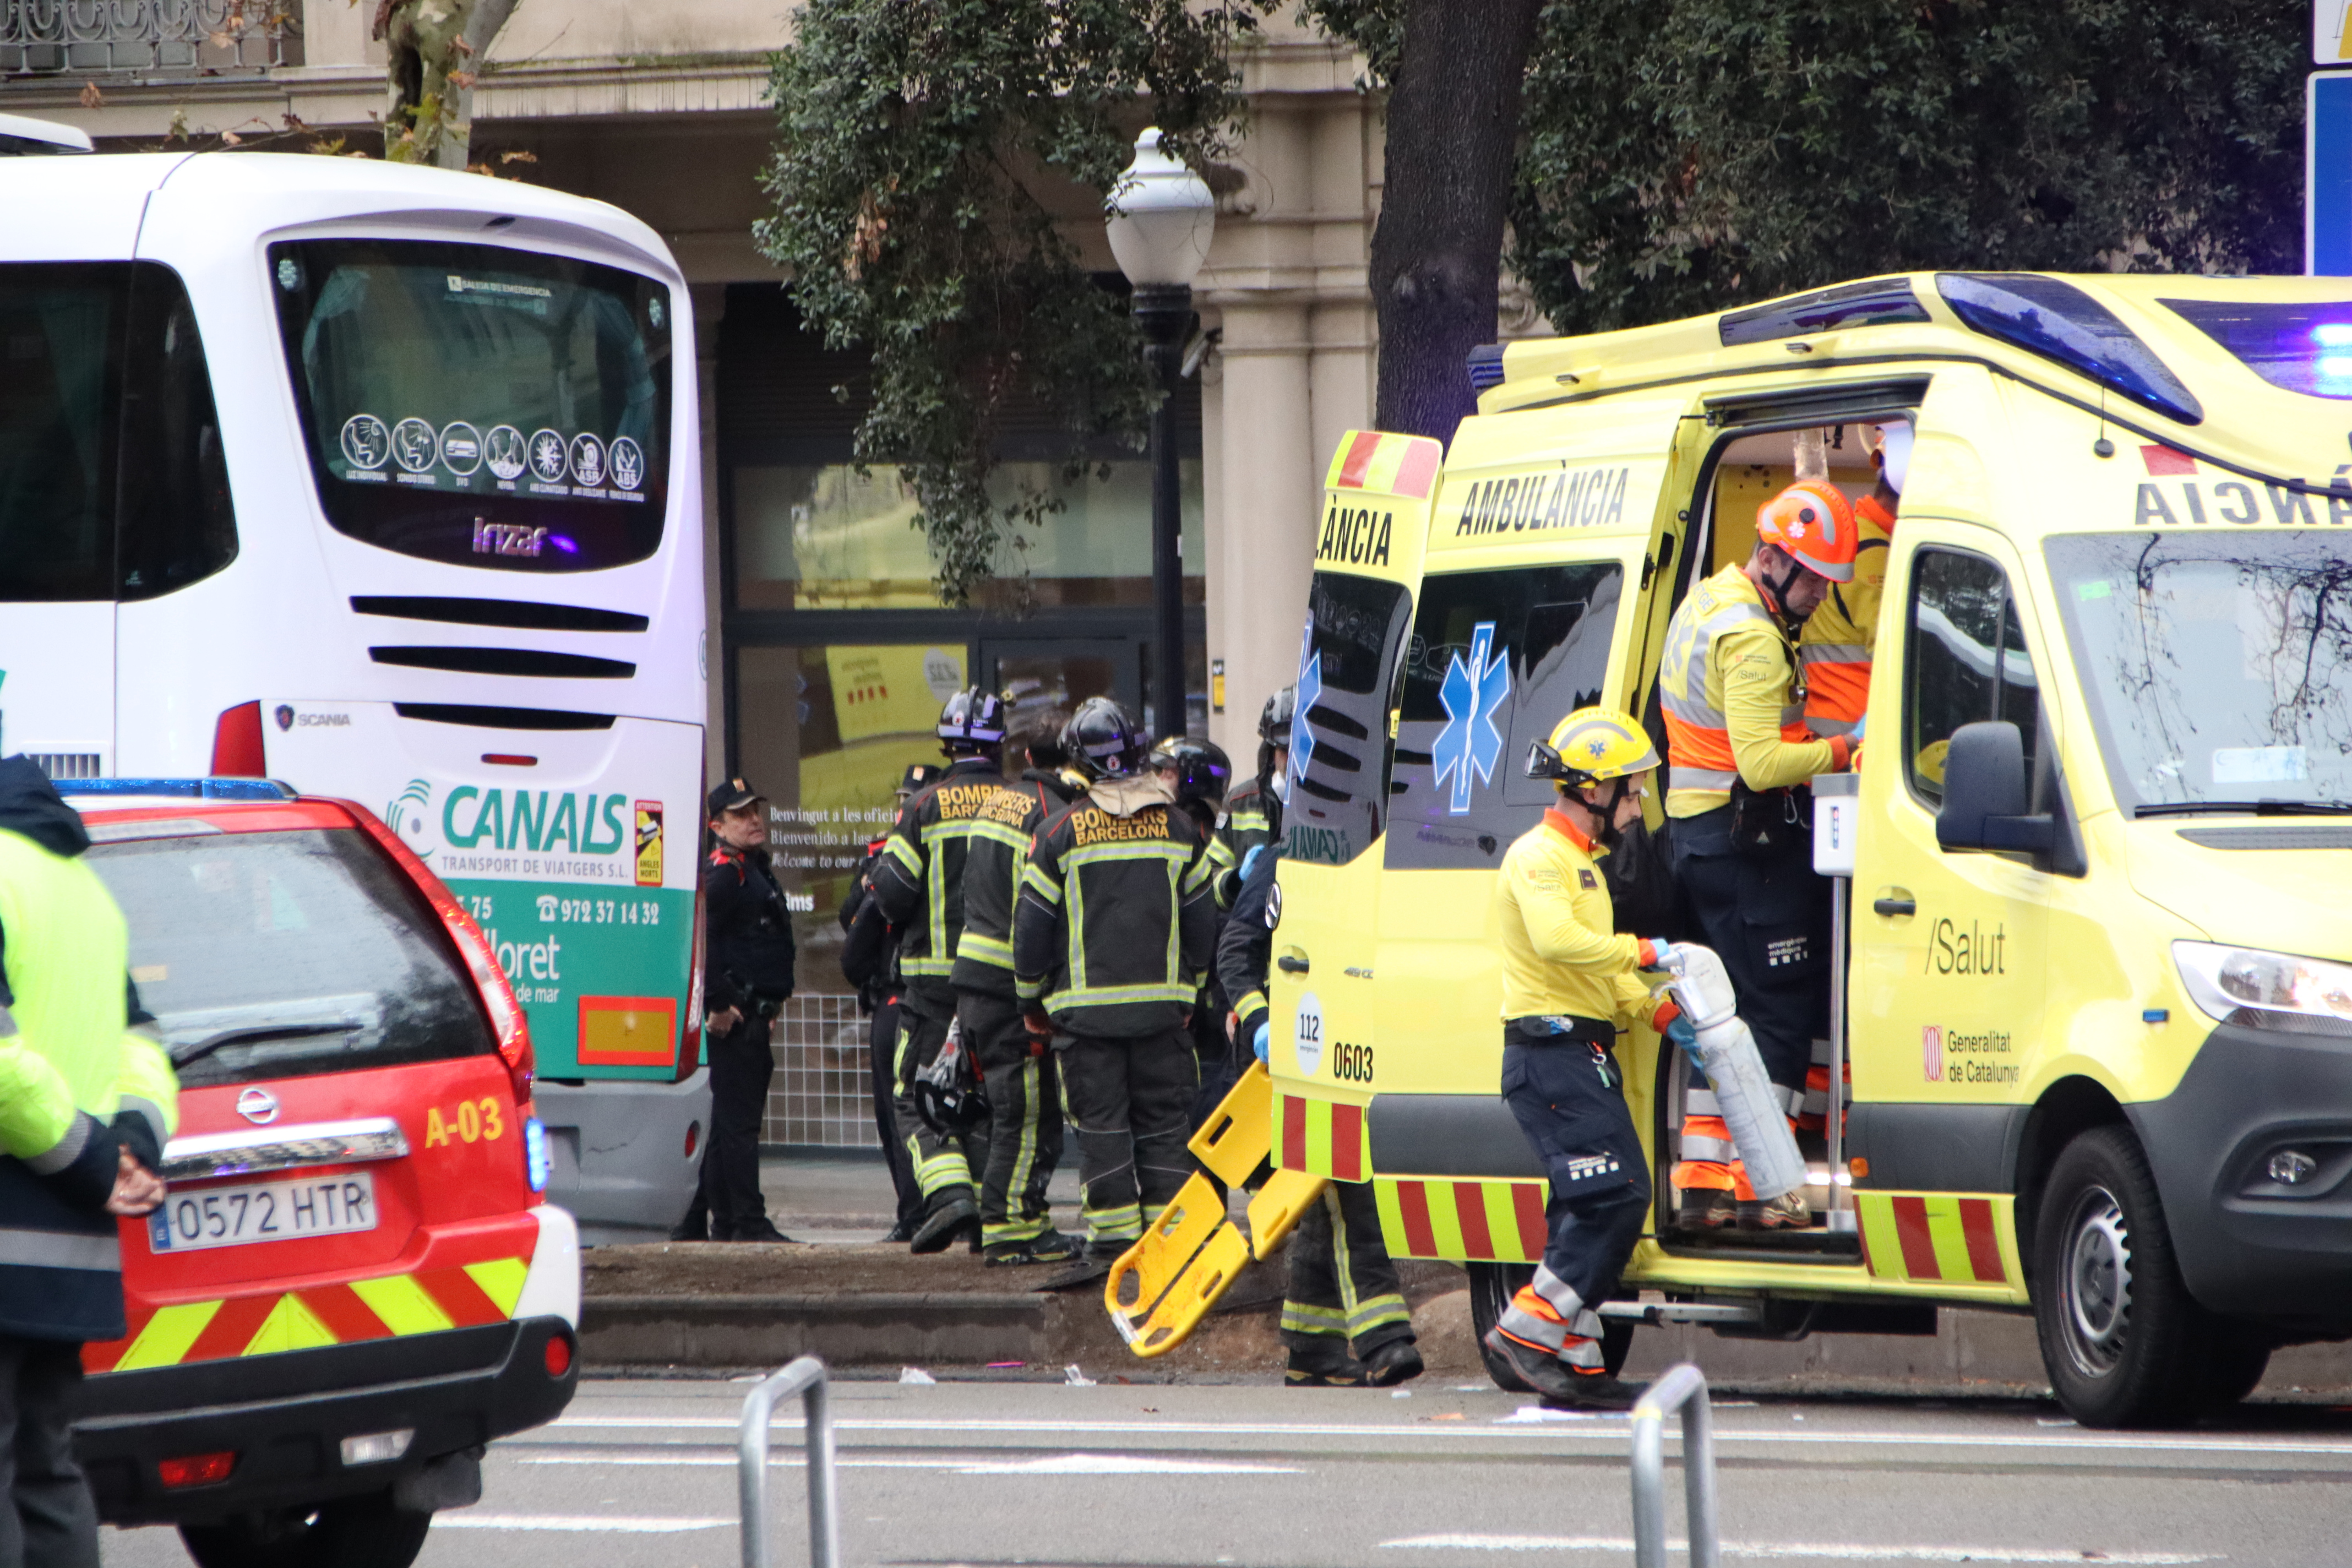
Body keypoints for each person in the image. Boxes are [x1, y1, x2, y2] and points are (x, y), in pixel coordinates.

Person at [1658, 480, 1859, 1229]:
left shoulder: (1709, 603)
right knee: (1778, 1015)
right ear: (1779, 562)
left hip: (1699, 843)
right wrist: (1844, 749)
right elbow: (1758, 763)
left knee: (1724, 1017)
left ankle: (1707, 1182)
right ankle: (1763, 1190)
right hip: (1745, 849)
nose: (1821, 598)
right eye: (1817, 581)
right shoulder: (1753, 639)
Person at [0, 755, 175, 1566]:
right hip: (69, 1249)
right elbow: (141, 1047)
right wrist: (127, 1149)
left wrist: (88, 1162)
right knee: (46, 1468)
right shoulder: (90, 899)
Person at [1482, 710, 1679, 1410]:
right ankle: (1525, 1332)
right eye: (1629, 789)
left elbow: (1596, 968)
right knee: (1619, 1195)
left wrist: (1651, 1006)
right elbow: (1560, 942)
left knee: (1583, 1203)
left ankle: (1577, 1361)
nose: (1637, 803)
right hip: (1550, 1051)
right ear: (1591, 788)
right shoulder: (1539, 857)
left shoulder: (1586, 868)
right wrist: (1643, 953)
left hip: (1578, 1048)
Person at [1013, 699, 1217, 1261]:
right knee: (1163, 1131)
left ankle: (1114, 1250)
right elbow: (1204, 924)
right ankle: (1169, 1249)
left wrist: (1031, 999)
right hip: (1163, 1017)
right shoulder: (1179, 828)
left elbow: (1031, 930)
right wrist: (1191, 990)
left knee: (1102, 1131)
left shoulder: (1057, 833)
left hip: (1085, 1023)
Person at [1219, 837, 1423, 1389]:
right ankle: (1385, 1340)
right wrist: (1261, 1022)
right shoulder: (1286, 858)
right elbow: (1235, 950)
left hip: (1341, 1051)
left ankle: (1312, 1349)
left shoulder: (1373, 859)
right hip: (1287, 1056)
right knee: (1351, 1193)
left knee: (1322, 1198)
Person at [870, 690, 1014, 1254]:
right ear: (999, 743)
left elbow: (891, 892)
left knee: (914, 1092)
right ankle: (992, 1217)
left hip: (932, 989)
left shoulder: (923, 806)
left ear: (948, 743)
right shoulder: (1020, 802)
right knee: (989, 1098)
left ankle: (951, 1195)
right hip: (1003, 986)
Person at [952, 721, 1074, 1268]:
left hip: (975, 977)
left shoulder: (994, 803)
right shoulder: (1053, 812)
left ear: (1025, 754)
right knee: (1027, 1112)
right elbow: (1042, 913)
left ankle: (1015, 1218)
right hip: (1011, 986)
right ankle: (1012, 1227)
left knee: (1007, 1111)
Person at [674, 778, 796, 1244]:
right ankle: (747, 1221)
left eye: (755, 812)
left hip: (752, 1015)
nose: (754, 820)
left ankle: (722, 1221)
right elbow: (697, 939)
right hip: (735, 1021)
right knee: (739, 1127)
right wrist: (720, 1001)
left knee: (727, 1130)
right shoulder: (727, 873)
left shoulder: (749, 868)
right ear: (717, 826)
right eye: (742, 815)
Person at [839, 763, 941, 1243]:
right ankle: (920, 1212)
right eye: (904, 797)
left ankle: (920, 1215)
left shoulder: (901, 857)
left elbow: (856, 943)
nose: (906, 807)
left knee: (906, 1113)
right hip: (910, 998)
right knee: (911, 1112)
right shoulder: (888, 854)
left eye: (913, 798)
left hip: (907, 1000)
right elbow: (848, 916)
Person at [1798, 424, 1907, 741]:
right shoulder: (1873, 555)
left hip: (1838, 728)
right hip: (1857, 733)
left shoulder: (1862, 537)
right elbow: (1896, 649)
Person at [1214, 686, 1291, 901]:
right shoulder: (1239, 803)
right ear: (1270, 753)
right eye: (1285, 750)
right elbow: (1210, 877)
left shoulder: (1337, 805)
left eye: (1302, 749)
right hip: (1252, 928)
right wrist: (1237, 880)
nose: (1294, 759)